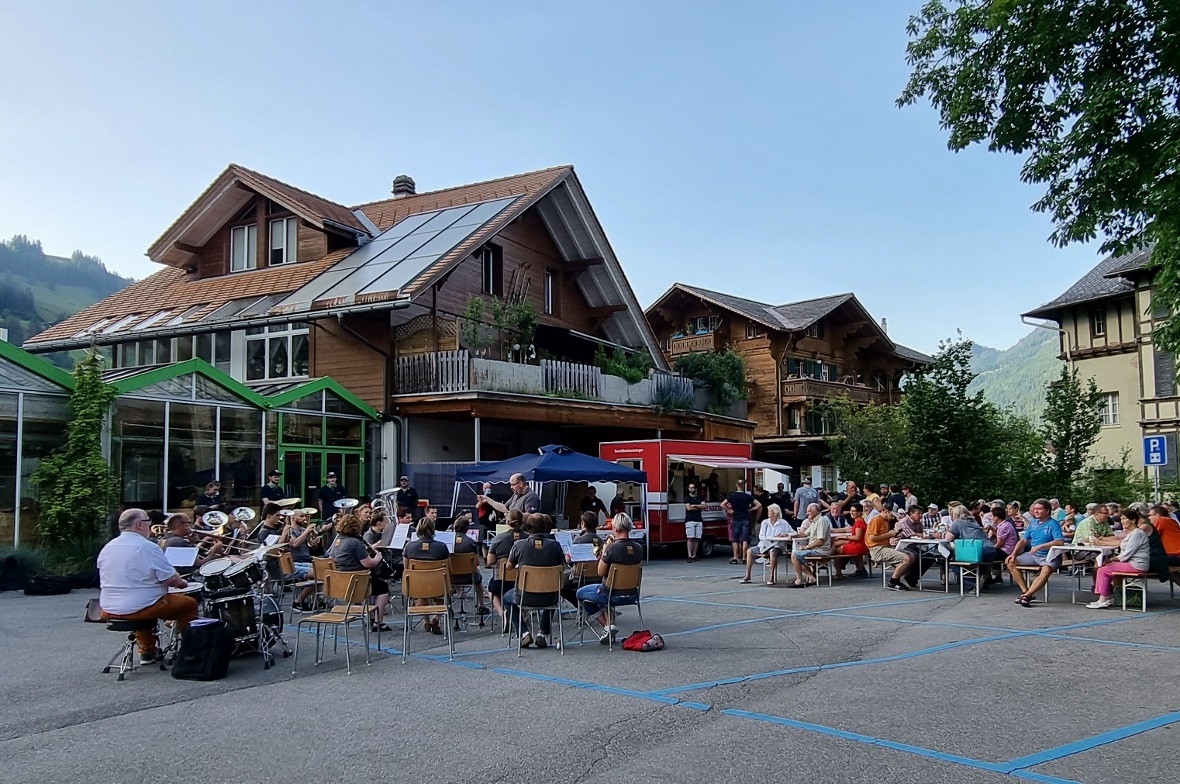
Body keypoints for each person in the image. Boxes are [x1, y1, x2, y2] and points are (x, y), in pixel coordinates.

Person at [98, 509, 199, 665]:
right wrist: (182, 582)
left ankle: (147, 652)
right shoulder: (148, 547)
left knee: (140, 602)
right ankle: (190, 651)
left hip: (107, 608)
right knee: (189, 604)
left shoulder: (107, 548)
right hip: (140, 607)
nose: (149, 526)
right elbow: (172, 580)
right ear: (139, 524)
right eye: (147, 522)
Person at [577, 513, 644, 646]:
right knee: (600, 590)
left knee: (580, 593)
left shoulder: (612, 548)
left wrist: (604, 553)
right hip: (632, 594)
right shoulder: (639, 548)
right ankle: (609, 624)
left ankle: (607, 626)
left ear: (615, 527)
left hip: (611, 594)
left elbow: (600, 572)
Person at [503, 514, 565, 649]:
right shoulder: (555, 545)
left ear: (528, 528)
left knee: (506, 599)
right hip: (549, 597)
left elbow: (508, 566)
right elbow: (562, 567)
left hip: (524, 596)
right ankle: (542, 634)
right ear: (544, 527)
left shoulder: (518, 545)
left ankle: (524, 632)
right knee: (552, 590)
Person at [328, 512, 390, 632]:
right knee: (383, 588)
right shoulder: (355, 542)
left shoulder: (337, 541)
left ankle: (371, 617)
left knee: (372, 585)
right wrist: (378, 557)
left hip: (341, 581)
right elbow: (368, 564)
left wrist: (365, 551)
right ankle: (378, 621)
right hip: (356, 581)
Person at [1087, 508, 1153, 608]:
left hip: (1136, 565)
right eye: (1121, 519)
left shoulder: (1137, 534)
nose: (1122, 521)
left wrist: (1111, 560)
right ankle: (1111, 596)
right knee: (1106, 568)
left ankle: (1103, 598)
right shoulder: (1132, 533)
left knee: (1103, 570)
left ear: (1133, 520)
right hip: (1132, 563)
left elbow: (1126, 554)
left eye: (1124, 519)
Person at [1007, 499, 1064, 607]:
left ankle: (1027, 596)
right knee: (1011, 562)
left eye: (1039, 509)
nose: (1035, 511)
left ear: (1047, 511)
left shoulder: (1053, 523)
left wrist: (1041, 546)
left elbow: (1059, 541)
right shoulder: (1033, 523)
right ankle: (1025, 592)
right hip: (1033, 555)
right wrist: (1013, 554)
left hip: (1049, 556)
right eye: (1034, 509)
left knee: (1046, 569)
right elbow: (1024, 540)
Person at [403, 517, 450, 634]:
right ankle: (436, 619)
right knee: (443, 593)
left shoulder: (409, 546)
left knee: (422, 594)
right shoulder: (441, 547)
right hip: (438, 583)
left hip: (417, 585)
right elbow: (448, 568)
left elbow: (406, 568)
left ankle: (426, 621)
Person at [943, 504, 998, 590]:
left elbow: (948, 538)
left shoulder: (958, 522)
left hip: (977, 551)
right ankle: (983, 579)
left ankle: (973, 583)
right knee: (977, 561)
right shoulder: (973, 521)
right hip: (991, 550)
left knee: (952, 561)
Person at [740, 504, 796, 585]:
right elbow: (761, 536)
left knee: (772, 552)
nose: (768, 513)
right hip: (763, 545)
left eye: (770, 511)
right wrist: (773, 537)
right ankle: (747, 575)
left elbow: (794, 533)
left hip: (777, 546)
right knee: (749, 551)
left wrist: (786, 534)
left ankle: (771, 577)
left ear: (775, 513)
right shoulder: (765, 522)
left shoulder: (783, 523)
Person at [486, 509, 525, 622]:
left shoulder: (499, 538)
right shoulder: (528, 538)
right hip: (523, 581)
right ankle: (522, 615)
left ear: (507, 522)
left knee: (491, 589)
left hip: (502, 580)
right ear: (522, 522)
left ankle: (502, 614)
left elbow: (489, 561)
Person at [866, 507, 916, 591]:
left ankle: (899, 576)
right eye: (891, 515)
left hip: (885, 546)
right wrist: (889, 534)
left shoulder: (886, 521)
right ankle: (893, 582)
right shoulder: (876, 520)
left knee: (911, 556)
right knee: (905, 559)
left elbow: (884, 536)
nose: (893, 518)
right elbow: (872, 538)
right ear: (885, 511)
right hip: (877, 548)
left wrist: (895, 535)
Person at [449, 514, 489, 616]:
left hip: (451, 578)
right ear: (467, 529)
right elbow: (477, 563)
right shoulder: (471, 542)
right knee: (478, 577)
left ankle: (448, 606)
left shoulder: (448, 542)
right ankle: (481, 605)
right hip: (469, 577)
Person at [161, 512, 225, 569]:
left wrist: (192, 542)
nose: (191, 526)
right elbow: (200, 564)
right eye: (188, 523)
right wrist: (213, 551)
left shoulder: (164, 539)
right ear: (179, 525)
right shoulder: (179, 542)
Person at [790, 503, 833, 587]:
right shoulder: (814, 521)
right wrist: (793, 535)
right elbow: (805, 534)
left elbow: (820, 541)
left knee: (795, 555)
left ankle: (799, 580)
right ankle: (811, 577)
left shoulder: (821, 521)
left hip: (821, 550)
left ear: (815, 511)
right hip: (815, 549)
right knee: (795, 555)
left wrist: (806, 547)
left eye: (809, 511)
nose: (807, 513)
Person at [724, 479, 759, 564]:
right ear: (743, 486)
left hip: (736, 519)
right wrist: (750, 509)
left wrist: (729, 510)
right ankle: (744, 557)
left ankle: (735, 557)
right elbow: (759, 504)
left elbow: (722, 504)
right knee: (744, 539)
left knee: (735, 539)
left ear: (736, 485)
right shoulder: (747, 496)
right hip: (745, 519)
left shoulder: (732, 496)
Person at [831, 502, 869, 578]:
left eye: (854, 511)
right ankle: (860, 569)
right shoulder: (859, 521)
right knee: (837, 543)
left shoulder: (859, 522)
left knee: (837, 550)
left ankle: (838, 572)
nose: (851, 512)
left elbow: (857, 537)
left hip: (859, 546)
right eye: (851, 510)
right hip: (861, 544)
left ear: (859, 512)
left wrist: (844, 536)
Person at [683, 481, 705, 562]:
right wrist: (699, 506)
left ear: (696, 488)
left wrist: (694, 505)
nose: (691, 489)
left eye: (693, 487)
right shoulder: (687, 497)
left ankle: (694, 555)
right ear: (688, 489)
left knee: (697, 539)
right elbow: (688, 508)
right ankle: (689, 555)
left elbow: (704, 506)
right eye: (690, 488)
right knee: (690, 538)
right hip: (690, 520)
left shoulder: (700, 497)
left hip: (699, 520)